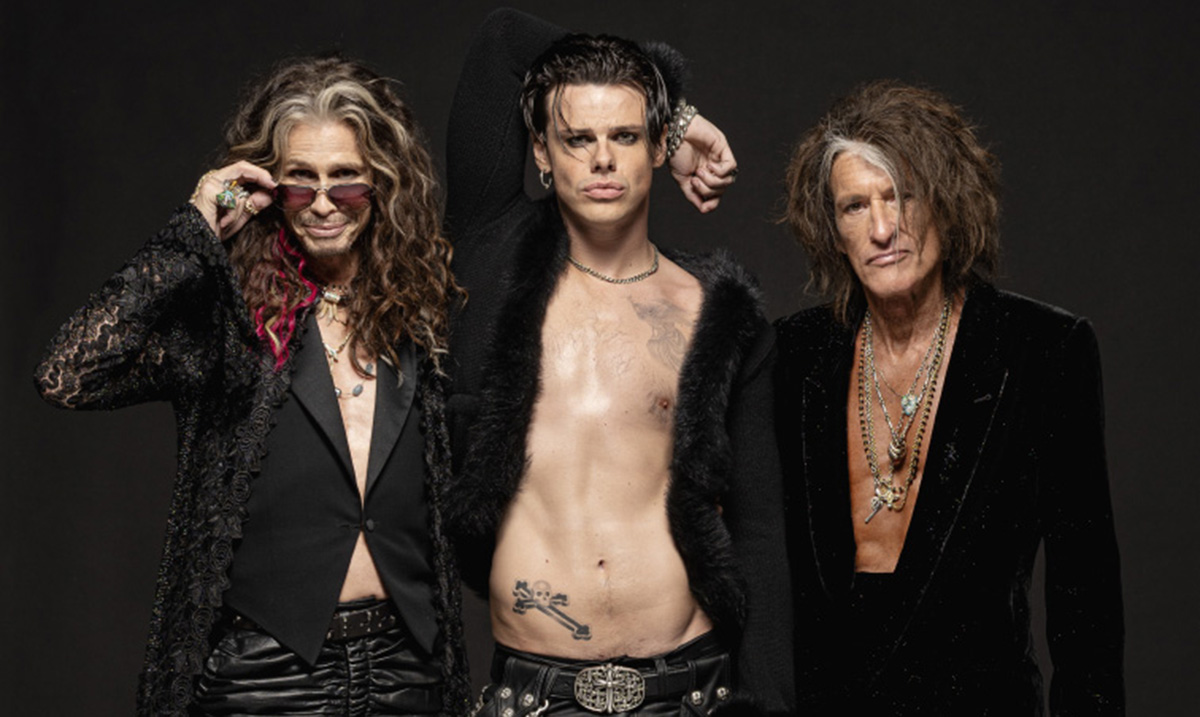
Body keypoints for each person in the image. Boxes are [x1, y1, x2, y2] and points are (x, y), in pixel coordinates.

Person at [34, 57, 470, 716]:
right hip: (264, 673)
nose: (323, 202)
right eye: (301, 181)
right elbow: (67, 374)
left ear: (382, 182)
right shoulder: (231, 321)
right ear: (269, 184)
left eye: (346, 179)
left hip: (406, 668)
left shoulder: (422, 312)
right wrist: (194, 231)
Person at [442, 9, 792, 716]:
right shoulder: (491, 258)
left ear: (655, 148)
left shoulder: (717, 316)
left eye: (626, 135)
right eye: (578, 138)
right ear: (541, 152)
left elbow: (759, 535)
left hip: (692, 691)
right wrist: (680, 111)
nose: (602, 159)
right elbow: (503, 40)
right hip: (535, 697)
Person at [775, 79, 1124, 714]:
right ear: (833, 229)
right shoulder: (793, 356)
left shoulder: (1041, 351)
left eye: (903, 196)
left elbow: (1086, 603)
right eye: (855, 206)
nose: (884, 229)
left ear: (947, 200)